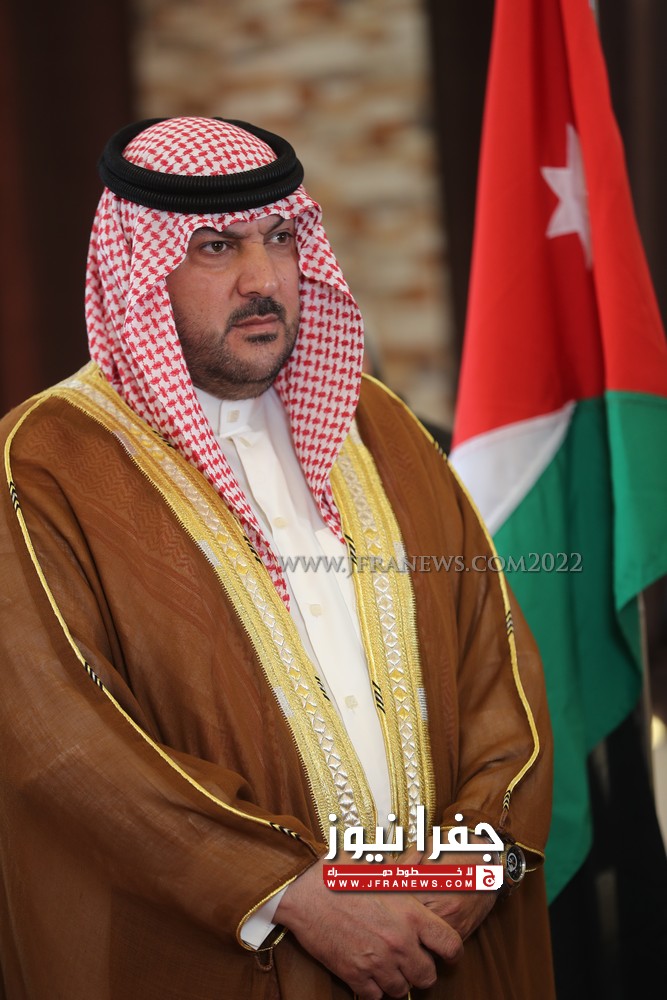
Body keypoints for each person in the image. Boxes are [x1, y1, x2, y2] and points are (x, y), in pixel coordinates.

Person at [0, 116, 554, 999]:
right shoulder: (48, 461)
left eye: (281, 238)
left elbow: (498, 670)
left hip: (442, 947)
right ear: (139, 268)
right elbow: (61, 742)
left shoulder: (379, 427)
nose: (263, 280)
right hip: (232, 962)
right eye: (216, 247)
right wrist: (286, 894)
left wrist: (470, 863)